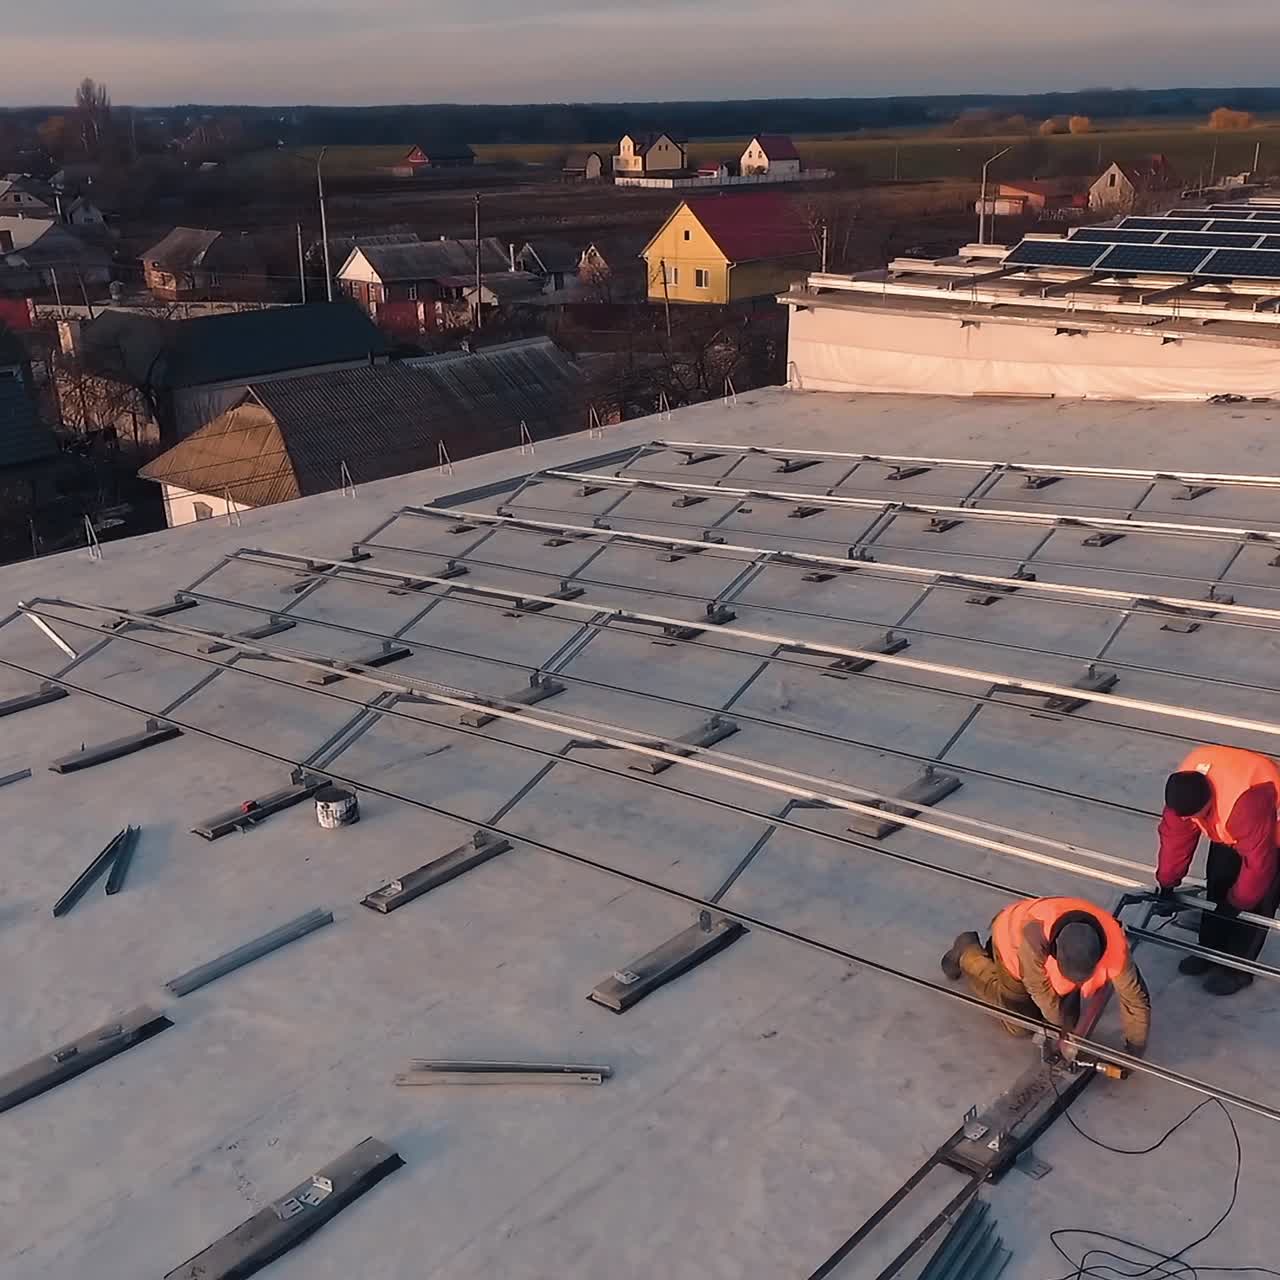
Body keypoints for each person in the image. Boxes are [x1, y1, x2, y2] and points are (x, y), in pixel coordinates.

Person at [940, 895, 1150, 1056]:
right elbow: (1038, 988)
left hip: (1043, 955)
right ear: (1056, 949)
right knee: (1021, 1025)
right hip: (1009, 939)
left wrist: (1135, 1047)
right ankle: (967, 952)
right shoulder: (1034, 939)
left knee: (1068, 1016)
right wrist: (1058, 1027)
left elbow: (1135, 999)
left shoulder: (1117, 950)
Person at [1157, 744, 1280, 996]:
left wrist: (1238, 902)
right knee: (1218, 883)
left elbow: (1259, 864)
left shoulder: (1246, 804)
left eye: (1196, 816)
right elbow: (1174, 838)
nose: (1191, 822)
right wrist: (1168, 883)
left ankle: (1237, 969)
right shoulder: (1182, 792)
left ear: (1209, 801)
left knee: (1256, 901)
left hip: (1271, 833)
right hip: (1233, 824)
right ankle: (1209, 952)